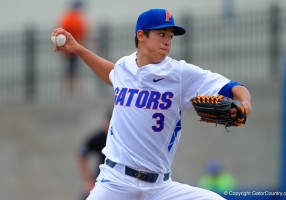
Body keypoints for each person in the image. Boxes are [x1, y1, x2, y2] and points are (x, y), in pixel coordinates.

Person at [52, 8, 252, 200]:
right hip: (115, 182)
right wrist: (77, 49)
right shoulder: (124, 67)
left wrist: (245, 103)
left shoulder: (180, 74)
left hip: (159, 188)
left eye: (170, 36)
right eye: (161, 34)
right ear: (141, 35)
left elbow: (232, 87)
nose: (167, 42)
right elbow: (112, 74)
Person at [77, 111, 111, 200]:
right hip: (101, 178)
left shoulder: (121, 140)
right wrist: (88, 180)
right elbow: (81, 154)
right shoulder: (99, 137)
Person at [56, 0, 88, 93]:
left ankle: (71, 88)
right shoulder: (71, 18)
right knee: (71, 69)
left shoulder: (71, 17)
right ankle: (70, 88)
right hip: (70, 50)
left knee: (71, 69)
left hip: (74, 48)